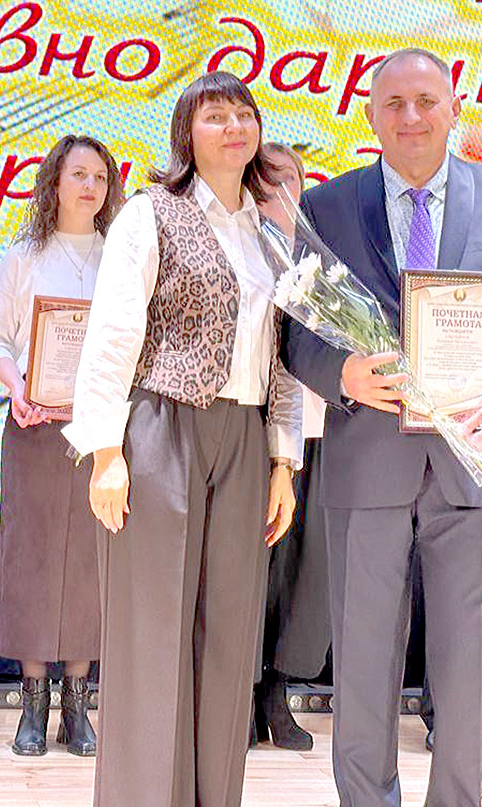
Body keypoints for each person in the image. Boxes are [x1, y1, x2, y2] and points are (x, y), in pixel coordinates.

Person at [283, 48, 482, 806]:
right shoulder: (327, 206)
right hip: (366, 462)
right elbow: (294, 329)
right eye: (394, 103)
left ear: (454, 109)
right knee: (363, 664)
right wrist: (340, 374)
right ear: (371, 116)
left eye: (426, 101)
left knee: (469, 669)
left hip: (472, 464)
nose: (410, 117)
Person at [64, 71, 303, 807]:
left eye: (244, 114)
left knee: (228, 635)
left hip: (245, 436)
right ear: (186, 135)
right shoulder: (149, 213)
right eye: (215, 116)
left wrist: (283, 459)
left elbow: (286, 357)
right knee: (154, 630)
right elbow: (112, 331)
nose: (233, 127)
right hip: (159, 427)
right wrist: (106, 451)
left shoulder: (272, 235)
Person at [0, 135, 122, 757]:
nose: (90, 187)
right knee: (32, 561)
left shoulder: (123, 256)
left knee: (92, 563)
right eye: (78, 175)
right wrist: (17, 388)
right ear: (54, 184)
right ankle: (33, 703)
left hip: (102, 438)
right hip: (35, 429)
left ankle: (78, 706)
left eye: (100, 177)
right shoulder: (24, 257)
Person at [253, 143, 330, 751]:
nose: (280, 190)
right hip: (258, 432)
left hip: (319, 429)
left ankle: (277, 693)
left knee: (303, 574)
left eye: (291, 180)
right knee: (255, 568)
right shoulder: (242, 247)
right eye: (269, 179)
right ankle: (240, 692)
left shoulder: (323, 258)